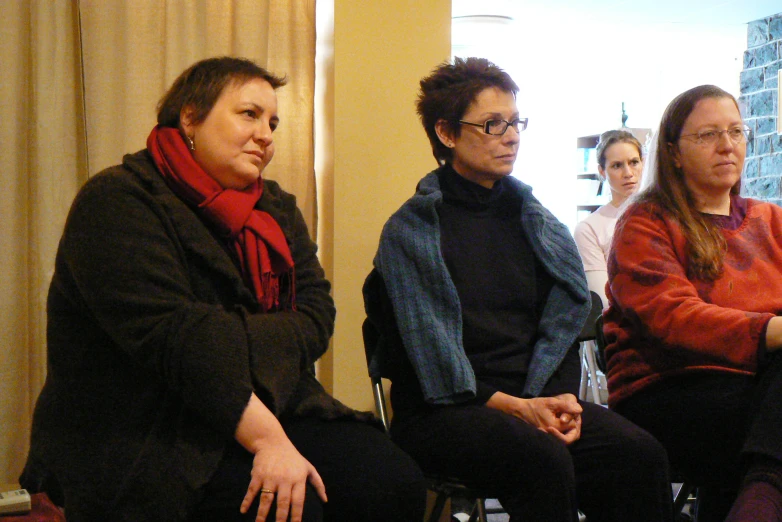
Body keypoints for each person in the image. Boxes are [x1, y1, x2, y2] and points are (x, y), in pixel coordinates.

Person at [19, 56, 426, 522]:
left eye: (272, 122)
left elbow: (316, 316)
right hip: (145, 423)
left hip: (272, 400)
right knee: (291, 510)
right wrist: (269, 438)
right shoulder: (118, 200)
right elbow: (177, 340)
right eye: (249, 114)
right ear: (190, 117)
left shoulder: (275, 207)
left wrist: (224, 339)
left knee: (391, 481)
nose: (266, 134)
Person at [363, 56, 672, 522]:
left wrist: (561, 400)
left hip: (536, 396)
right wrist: (518, 409)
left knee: (640, 454)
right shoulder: (411, 233)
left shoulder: (537, 222)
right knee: (540, 459)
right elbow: (420, 361)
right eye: (492, 124)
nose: (511, 136)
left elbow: (566, 324)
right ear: (446, 133)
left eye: (515, 122)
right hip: (443, 410)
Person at [604, 84, 782, 522]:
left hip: (762, 384)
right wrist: (772, 331)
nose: (727, 146)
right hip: (669, 386)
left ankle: (760, 497)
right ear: (674, 152)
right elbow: (674, 319)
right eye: (707, 135)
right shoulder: (646, 223)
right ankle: (763, 494)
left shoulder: (770, 219)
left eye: (736, 132)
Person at [573, 129, 643, 305]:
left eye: (634, 162)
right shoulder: (589, 228)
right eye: (617, 165)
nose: (628, 173)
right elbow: (602, 299)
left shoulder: (666, 213)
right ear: (602, 171)